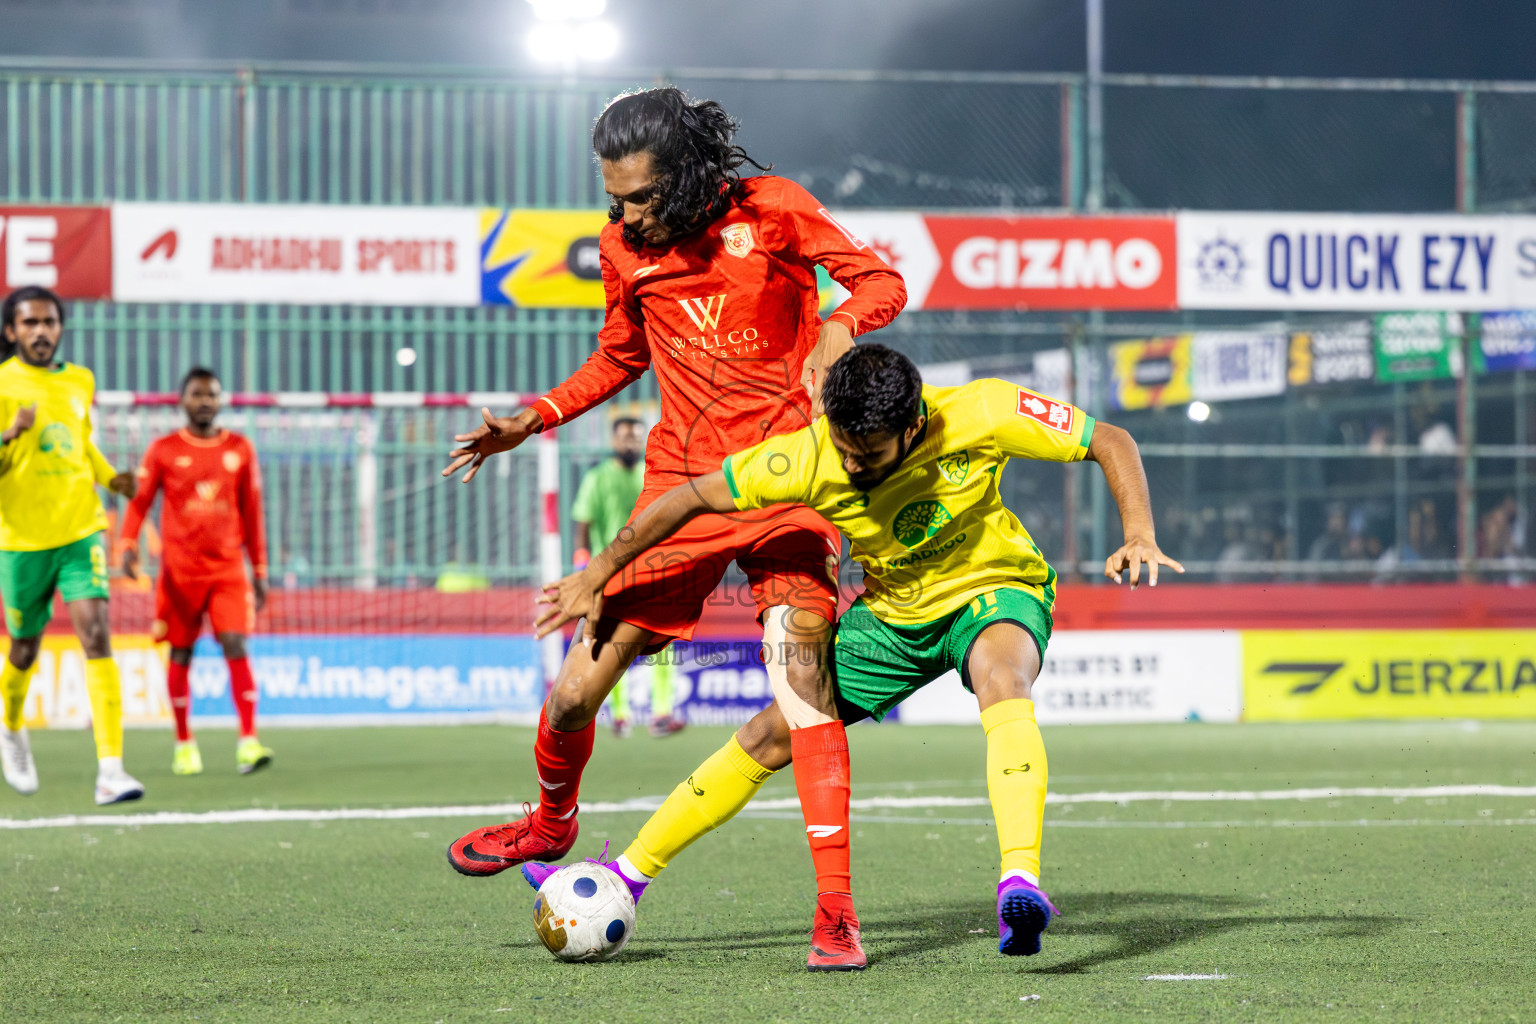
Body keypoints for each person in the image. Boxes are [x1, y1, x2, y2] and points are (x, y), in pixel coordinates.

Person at [438, 85, 906, 959]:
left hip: (788, 488)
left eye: (642, 196)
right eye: (614, 196)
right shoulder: (622, 247)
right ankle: (551, 824)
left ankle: (836, 913)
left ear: (688, 174)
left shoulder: (773, 210)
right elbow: (619, 356)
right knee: (572, 695)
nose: (625, 213)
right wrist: (533, 418)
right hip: (679, 494)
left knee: (803, 692)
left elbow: (882, 280)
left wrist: (840, 326)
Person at [529, 345, 1181, 969]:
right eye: (842, 447)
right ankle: (628, 875)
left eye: (867, 454)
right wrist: (600, 571)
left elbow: (1109, 439)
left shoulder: (982, 409)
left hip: (994, 588)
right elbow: (688, 498)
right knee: (769, 734)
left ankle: (1020, 882)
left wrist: (1139, 534)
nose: (850, 464)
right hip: (891, 617)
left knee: (1002, 677)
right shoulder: (806, 456)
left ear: (913, 424)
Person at [0, 286, 145, 805]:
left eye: (49, 322)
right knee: (23, 648)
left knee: (97, 635)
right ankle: (10, 727)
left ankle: (111, 771)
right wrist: (8, 435)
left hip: (81, 530)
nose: (41, 331)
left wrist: (111, 478)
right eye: (30, 323)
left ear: (60, 328)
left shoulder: (81, 379)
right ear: (11, 331)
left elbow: (80, 443)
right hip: (22, 541)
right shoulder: (2, 384)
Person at [120, 367, 273, 776]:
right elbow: (139, 501)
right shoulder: (164, 450)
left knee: (235, 643)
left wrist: (260, 569)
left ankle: (248, 740)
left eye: (212, 395)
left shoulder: (240, 448)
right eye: (197, 394)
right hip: (180, 573)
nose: (205, 401)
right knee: (181, 652)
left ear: (220, 401)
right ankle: (184, 743)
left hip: (227, 570)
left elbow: (253, 512)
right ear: (182, 399)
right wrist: (127, 544)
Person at [571, 416, 683, 738]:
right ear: (613, 440)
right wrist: (582, 564)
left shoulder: (651, 474)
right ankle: (620, 715)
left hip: (651, 570)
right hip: (609, 573)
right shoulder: (597, 478)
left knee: (664, 641)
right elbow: (583, 523)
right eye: (625, 437)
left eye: (636, 437)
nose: (631, 443)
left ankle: (662, 713)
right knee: (608, 642)